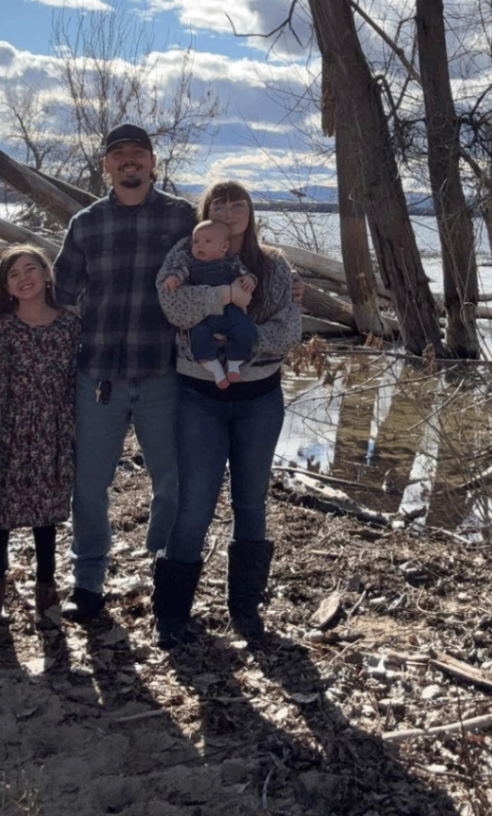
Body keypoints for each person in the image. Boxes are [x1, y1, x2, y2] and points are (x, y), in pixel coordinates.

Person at [51, 124, 197, 624]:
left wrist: (277, 285)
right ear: (106, 167)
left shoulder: (183, 218)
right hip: (99, 378)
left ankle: (164, 572)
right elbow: (60, 297)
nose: (130, 162)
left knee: (172, 483)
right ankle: (88, 583)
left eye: (139, 154)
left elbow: (222, 265)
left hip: (165, 374)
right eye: (120, 156)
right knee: (88, 487)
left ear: (153, 163)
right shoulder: (86, 224)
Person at [153, 180, 302, 647]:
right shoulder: (184, 254)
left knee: (251, 501)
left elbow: (289, 328)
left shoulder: (273, 265)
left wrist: (242, 339)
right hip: (198, 396)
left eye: (240, 203)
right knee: (195, 503)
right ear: (208, 211)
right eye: (221, 203)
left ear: (251, 211)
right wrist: (223, 300)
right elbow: (173, 307)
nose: (231, 210)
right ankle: (172, 614)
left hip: (259, 397)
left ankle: (245, 610)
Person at [0, 243, 79, 623]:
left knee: (46, 512)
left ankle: (46, 587)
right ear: (6, 286)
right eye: (14, 274)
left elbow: (77, 380)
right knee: (0, 513)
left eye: (30, 270)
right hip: (7, 428)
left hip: (53, 428)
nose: (24, 279)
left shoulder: (70, 325)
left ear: (46, 274)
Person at [161, 218, 256, 387]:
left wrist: (249, 279)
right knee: (198, 336)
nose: (200, 246)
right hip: (203, 315)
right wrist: (173, 277)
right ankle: (215, 369)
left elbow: (245, 274)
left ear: (224, 247)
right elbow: (180, 271)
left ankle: (234, 364)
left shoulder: (232, 262)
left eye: (207, 241)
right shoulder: (189, 263)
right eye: (196, 241)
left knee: (244, 330)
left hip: (231, 312)